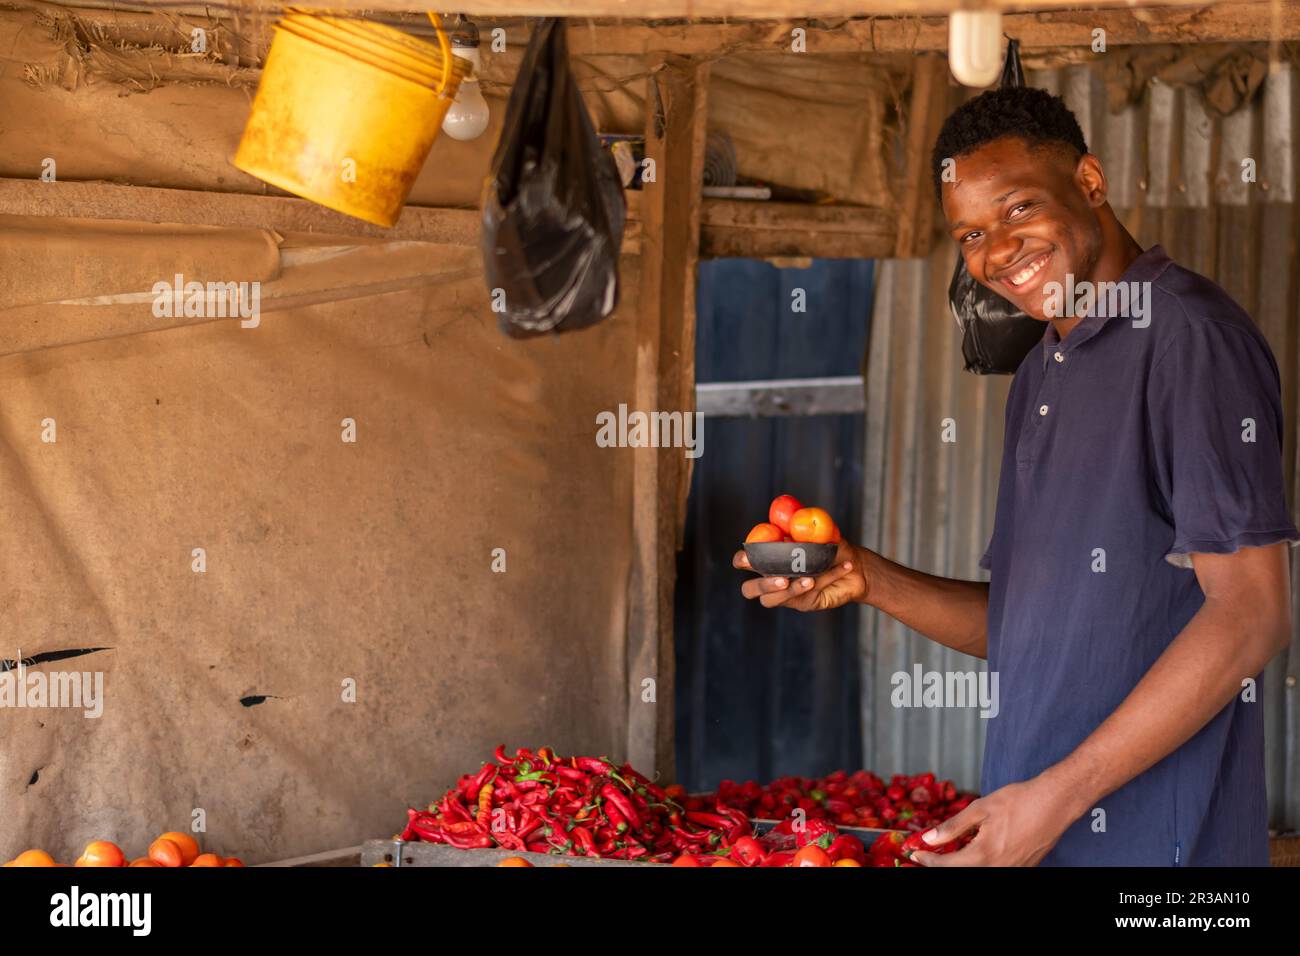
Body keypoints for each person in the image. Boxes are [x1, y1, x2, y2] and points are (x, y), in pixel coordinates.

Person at [734, 86, 1297, 866]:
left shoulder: (1188, 340)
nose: (997, 251)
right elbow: (1029, 626)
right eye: (970, 232)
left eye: (1018, 209)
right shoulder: (1040, 374)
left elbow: (1252, 613)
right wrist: (867, 578)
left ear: (1090, 183)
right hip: (1038, 842)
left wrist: (1055, 799)